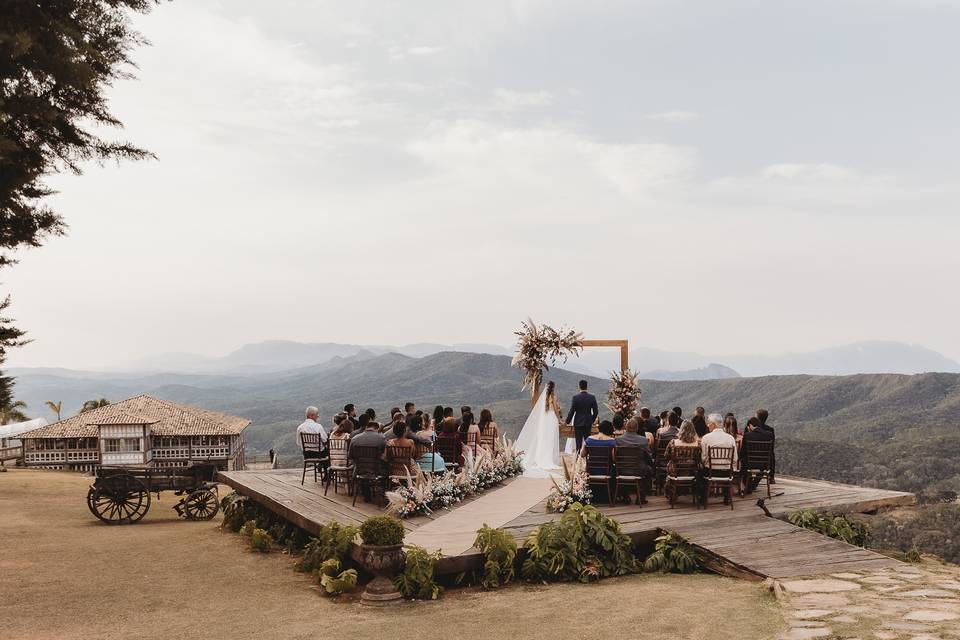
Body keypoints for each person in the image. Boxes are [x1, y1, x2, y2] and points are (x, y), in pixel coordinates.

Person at [515, 380, 562, 476]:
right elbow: (556, 410)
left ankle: (541, 457)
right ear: (553, 388)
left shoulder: (543, 398)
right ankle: (550, 459)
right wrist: (559, 419)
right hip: (552, 418)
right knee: (551, 439)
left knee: (543, 439)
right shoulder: (553, 397)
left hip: (545, 419)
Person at [741, 416, 774, 493]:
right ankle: (753, 485)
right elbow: (771, 450)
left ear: (751, 425)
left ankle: (748, 486)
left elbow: (743, 452)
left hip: (750, 464)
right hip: (764, 464)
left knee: (743, 463)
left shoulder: (747, 435)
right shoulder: (769, 435)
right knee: (762, 468)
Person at [566, 379, 599, 452]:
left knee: (578, 442)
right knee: (588, 442)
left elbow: (572, 411)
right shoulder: (592, 397)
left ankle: (578, 460)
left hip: (578, 423)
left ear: (579, 387)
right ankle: (587, 459)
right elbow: (596, 412)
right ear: (587, 387)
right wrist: (591, 420)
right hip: (588, 422)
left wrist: (567, 422)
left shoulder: (575, 397)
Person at [756, 408, 776, 483]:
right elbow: (772, 445)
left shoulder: (751, 429)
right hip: (765, 457)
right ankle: (771, 477)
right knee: (771, 454)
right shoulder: (770, 430)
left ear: (757, 418)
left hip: (752, 457)